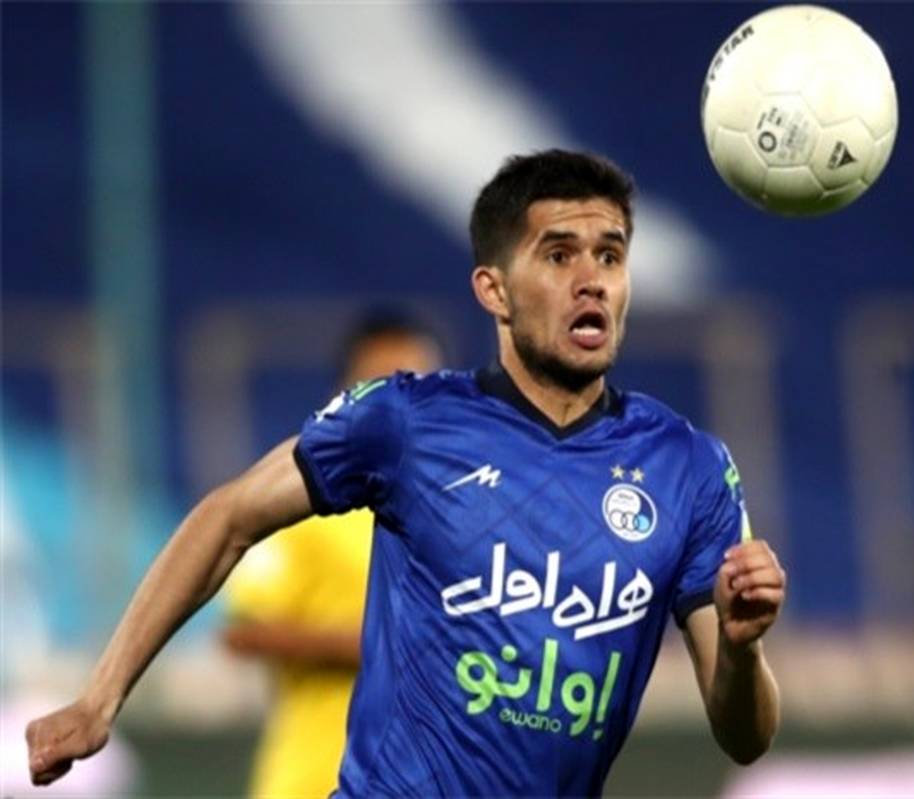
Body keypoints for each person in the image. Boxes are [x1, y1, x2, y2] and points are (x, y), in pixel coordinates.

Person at [27, 149, 786, 797]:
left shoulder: (689, 468)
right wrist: (99, 699)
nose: (592, 280)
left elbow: (746, 737)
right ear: (493, 289)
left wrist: (744, 648)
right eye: (559, 255)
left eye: (611, 256)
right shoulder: (406, 421)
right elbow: (228, 517)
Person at [221, 311, 442, 798]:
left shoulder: (457, 507)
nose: (403, 406)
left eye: (421, 384)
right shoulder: (306, 501)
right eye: (385, 386)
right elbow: (243, 631)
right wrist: (369, 644)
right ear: (347, 393)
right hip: (316, 776)